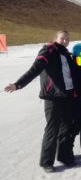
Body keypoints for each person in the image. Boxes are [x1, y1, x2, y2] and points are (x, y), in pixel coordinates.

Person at [4, 30, 76, 172]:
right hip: (53, 96)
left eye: (67, 39)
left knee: (67, 127)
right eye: (62, 38)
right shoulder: (49, 50)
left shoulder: (66, 54)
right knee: (52, 129)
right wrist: (18, 84)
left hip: (68, 95)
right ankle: (46, 162)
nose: (65, 41)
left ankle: (64, 156)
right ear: (56, 38)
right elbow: (35, 69)